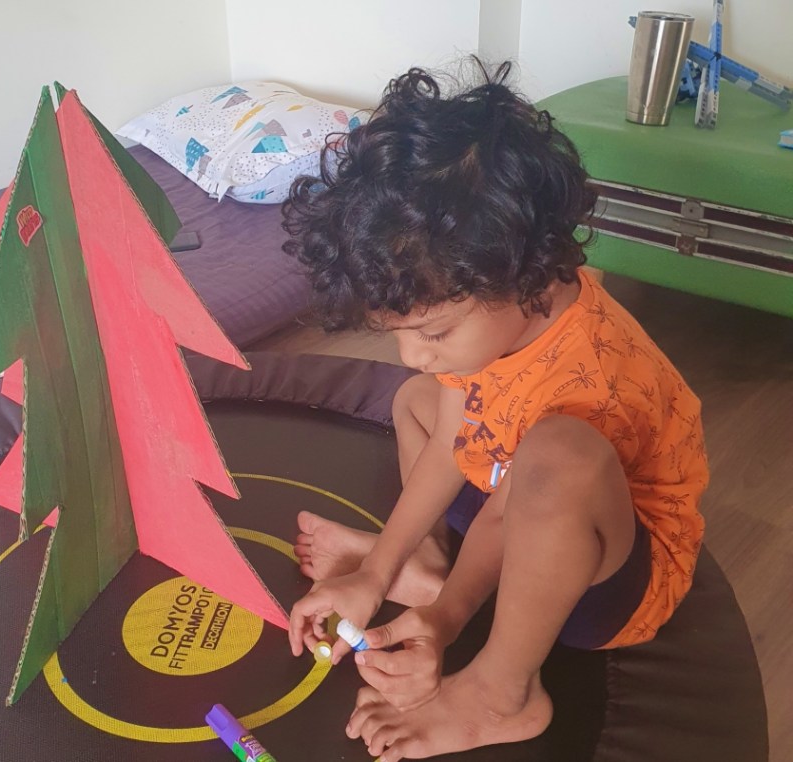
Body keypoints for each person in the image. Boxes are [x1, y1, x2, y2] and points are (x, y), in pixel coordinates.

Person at [280, 61, 708, 761]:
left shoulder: (590, 378)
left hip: (609, 576)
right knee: (419, 398)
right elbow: (459, 430)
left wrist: (447, 620)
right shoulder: (499, 306)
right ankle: (427, 560)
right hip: (522, 493)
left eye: (435, 331)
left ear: (524, 278)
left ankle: (503, 693)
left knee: (558, 454)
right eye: (399, 332)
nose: (414, 351)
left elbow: (521, 497)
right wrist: (377, 572)